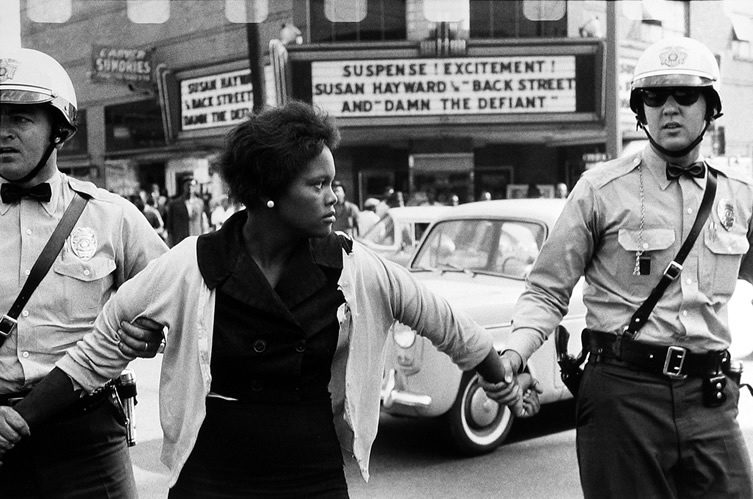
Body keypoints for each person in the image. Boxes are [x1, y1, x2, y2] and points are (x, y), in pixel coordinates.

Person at [1, 101, 541, 497]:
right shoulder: (191, 264)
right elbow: (100, 351)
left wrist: (499, 375)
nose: (336, 198)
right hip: (212, 471)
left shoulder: (356, 267)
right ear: (269, 190)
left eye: (335, 183)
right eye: (318, 185)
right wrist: (21, 419)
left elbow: (445, 322)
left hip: (312, 470)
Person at [483, 37, 753, 498]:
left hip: (710, 397)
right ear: (639, 109)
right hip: (624, 396)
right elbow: (547, 290)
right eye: (654, 96)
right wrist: (514, 356)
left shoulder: (738, 195)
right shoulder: (599, 189)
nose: (669, 108)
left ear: (711, 107)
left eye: (685, 95)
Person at [0, 47, 168, 497]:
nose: (3, 134)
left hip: (87, 435)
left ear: (59, 129)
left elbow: (178, 298)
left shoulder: (111, 217)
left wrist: (151, 336)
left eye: (20, 120)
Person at [165, 177, 208, 247]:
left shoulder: (200, 203)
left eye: (192, 186)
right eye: (188, 185)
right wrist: (170, 243)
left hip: (195, 239)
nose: (190, 188)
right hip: (180, 241)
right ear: (184, 187)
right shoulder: (174, 204)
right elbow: (169, 226)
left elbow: (202, 222)